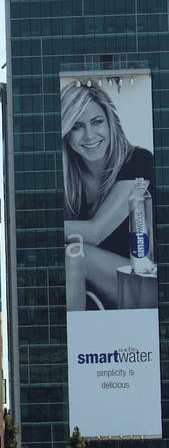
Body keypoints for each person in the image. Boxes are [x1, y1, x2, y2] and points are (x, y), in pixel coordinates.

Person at [62, 79, 156, 310]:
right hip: (104, 286)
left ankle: (76, 338)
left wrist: (38, 231)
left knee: (75, 256)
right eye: (77, 126)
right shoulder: (68, 179)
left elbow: (95, 232)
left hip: (148, 282)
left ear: (110, 122)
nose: (89, 135)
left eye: (97, 122)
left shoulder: (138, 162)